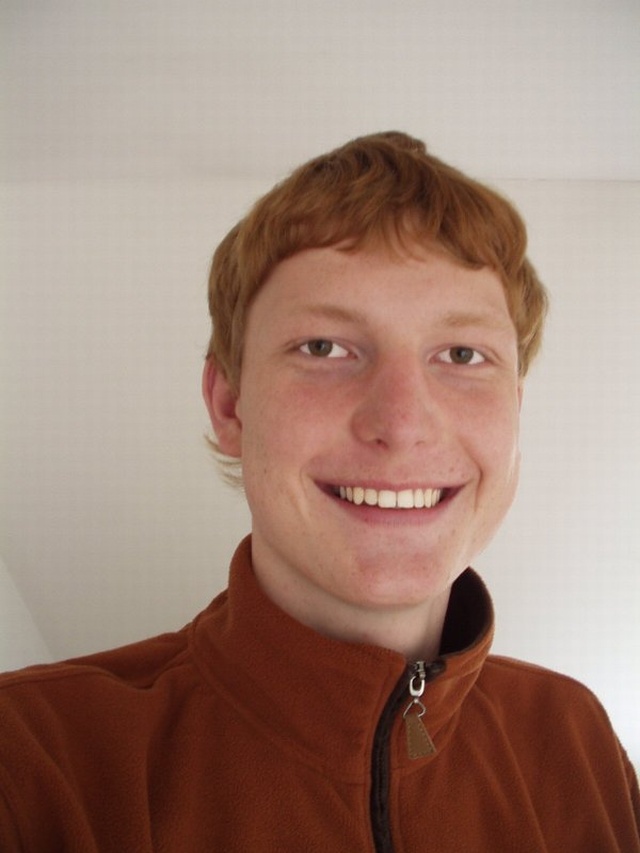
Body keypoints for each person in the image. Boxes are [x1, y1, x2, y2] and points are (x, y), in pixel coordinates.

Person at [0, 132, 638, 852]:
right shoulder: (32, 759)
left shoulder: (579, 741)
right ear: (230, 404)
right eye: (324, 347)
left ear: (515, 410)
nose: (401, 424)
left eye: (463, 354)